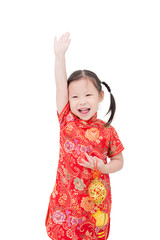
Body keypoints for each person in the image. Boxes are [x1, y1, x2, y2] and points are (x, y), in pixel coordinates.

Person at [45, 32, 124, 240]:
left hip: (95, 199)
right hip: (67, 201)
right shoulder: (67, 121)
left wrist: (104, 167)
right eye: (75, 96)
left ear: (100, 96)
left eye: (88, 95)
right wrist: (59, 56)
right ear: (68, 100)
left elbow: (118, 160)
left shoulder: (107, 130)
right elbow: (61, 86)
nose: (82, 102)